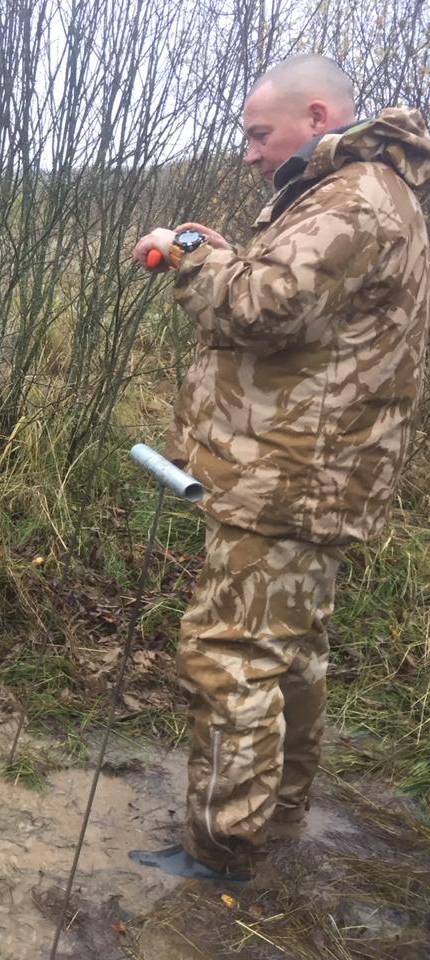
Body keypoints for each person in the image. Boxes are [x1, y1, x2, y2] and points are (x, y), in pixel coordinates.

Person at [129, 56, 429, 880]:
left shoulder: (355, 196)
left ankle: (223, 848)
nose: (251, 151)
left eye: (260, 133)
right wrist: (233, 252)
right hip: (314, 475)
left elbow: (262, 308)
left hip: (289, 478)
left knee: (230, 655)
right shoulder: (370, 194)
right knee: (291, 652)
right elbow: (296, 303)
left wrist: (183, 257)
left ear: (318, 114)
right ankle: (279, 815)